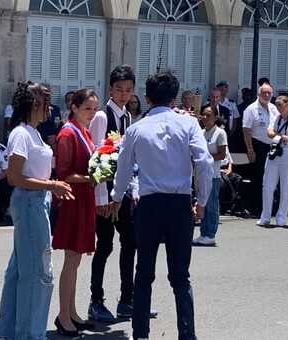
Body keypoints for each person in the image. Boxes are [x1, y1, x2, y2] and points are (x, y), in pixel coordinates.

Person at [110, 71, 213, 340]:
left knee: (143, 273)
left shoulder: (135, 129)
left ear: (145, 97)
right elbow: (204, 163)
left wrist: (117, 197)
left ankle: (141, 334)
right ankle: (187, 335)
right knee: (181, 277)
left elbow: (123, 171)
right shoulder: (188, 125)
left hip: (149, 204)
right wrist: (201, 202)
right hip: (180, 203)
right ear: (174, 97)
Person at [0, 81, 72, 340]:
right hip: (30, 201)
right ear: (35, 104)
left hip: (36, 201)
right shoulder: (22, 134)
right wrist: (53, 184)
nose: (49, 107)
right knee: (38, 272)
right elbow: (14, 177)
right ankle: (29, 334)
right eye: (45, 101)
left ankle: (6, 331)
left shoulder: (32, 133)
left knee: (18, 270)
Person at [88, 64, 146, 323]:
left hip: (122, 193)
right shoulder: (102, 117)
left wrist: (132, 190)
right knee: (105, 246)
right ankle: (96, 300)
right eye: (120, 89)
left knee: (130, 244)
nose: (124, 95)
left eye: (129, 90)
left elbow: (130, 160)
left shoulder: (128, 118)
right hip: (105, 195)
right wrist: (102, 199)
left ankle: (126, 299)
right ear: (110, 89)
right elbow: (97, 158)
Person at [52, 88, 98, 336]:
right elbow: (65, 173)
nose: (91, 113)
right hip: (72, 198)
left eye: (93, 109)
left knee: (77, 259)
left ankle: (71, 311)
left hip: (84, 197)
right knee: (71, 259)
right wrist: (94, 176)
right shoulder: (67, 134)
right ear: (74, 108)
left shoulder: (85, 131)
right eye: (86, 108)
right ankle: (62, 315)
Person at [257, 95, 288, 227]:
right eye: (276, 104)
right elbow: (270, 132)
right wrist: (286, 137)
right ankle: (265, 216)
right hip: (276, 150)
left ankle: (281, 217)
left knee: (285, 187)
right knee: (267, 185)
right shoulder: (275, 116)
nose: (278, 107)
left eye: (281, 104)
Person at [242, 83, 278, 216]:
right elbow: (246, 130)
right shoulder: (251, 109)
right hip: (258, 145)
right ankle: (255, 206)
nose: (267, 95)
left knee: (271, 177)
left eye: (269, 93)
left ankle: (269, 206)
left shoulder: (274, 108)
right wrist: (250, 149)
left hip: (272, 146)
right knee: (257, 178)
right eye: (264, 93)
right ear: (259, 94)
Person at [193, 105, 226, 246]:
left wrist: (205, 158)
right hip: (200, 175)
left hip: (213, 174)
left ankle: (211, 233)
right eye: (203, 115)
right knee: (202, 203)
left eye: (208, 115)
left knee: (211, 204)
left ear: (215, 117)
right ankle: (203, 233)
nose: (205, 118)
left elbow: (222, 154)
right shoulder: (200, 133)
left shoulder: (219, 133)